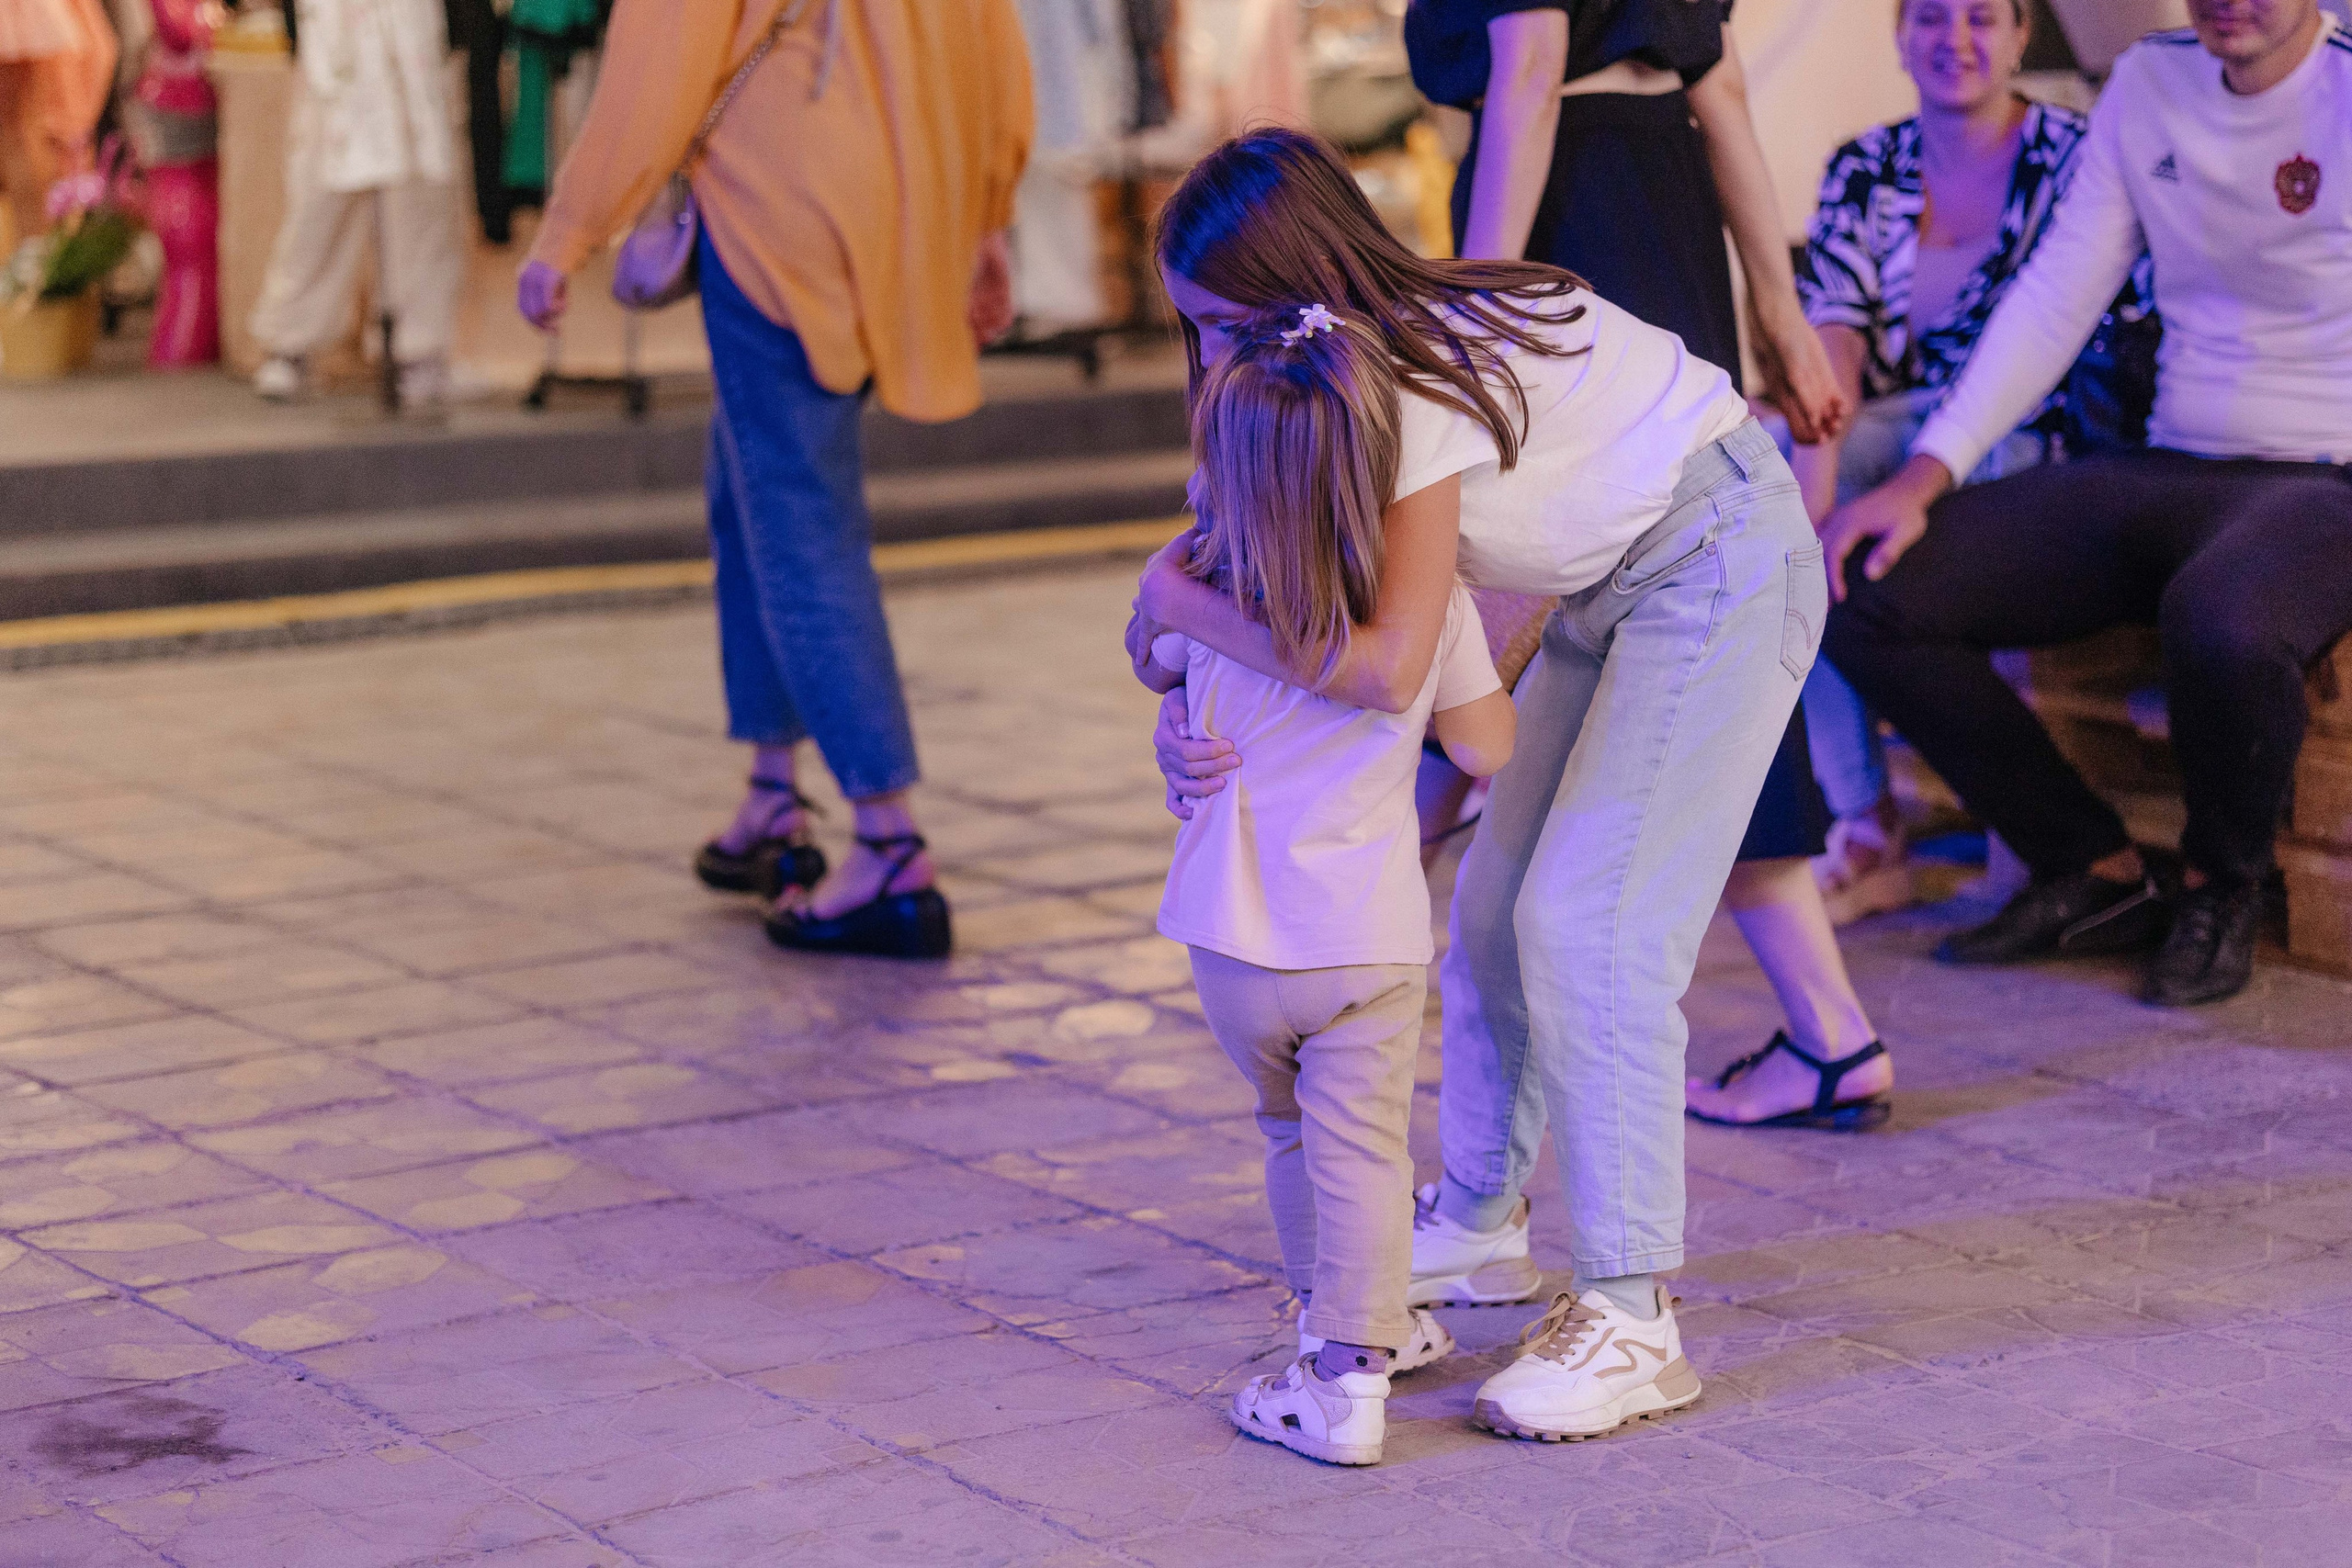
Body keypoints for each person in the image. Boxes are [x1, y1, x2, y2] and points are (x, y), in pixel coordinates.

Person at [1136, 129, 1817, 1441]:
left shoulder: (1397, 386)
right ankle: (1480, 1221)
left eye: (1221, 326)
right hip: (1602, 585)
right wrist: (1186, 707)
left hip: (1721, 557)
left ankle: (1631, 1311)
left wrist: (1174, 604)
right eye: (1194, 332)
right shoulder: (1344, 371)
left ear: (1294, 292)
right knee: (1496, 906)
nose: (1211, 363)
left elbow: (1389, 664)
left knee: (1591, 926)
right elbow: (1296, 624)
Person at [1403, 0, 1890, 1132]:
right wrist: (1779, 310)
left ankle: (1361, 900)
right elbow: (1719, 90)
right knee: (1684, 605)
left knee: (1535, 583)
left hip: (1570, 219)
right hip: (1667, 209)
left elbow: (1529, 69)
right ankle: (1829, 1029)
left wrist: (1481, 302)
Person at [1822, 0, 2352, 1008]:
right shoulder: (2150, 82)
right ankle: (2090, 867)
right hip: (2170, 457)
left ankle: (2219, 887)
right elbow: (2058, 293)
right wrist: (1924, 474)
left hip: (2326, 473)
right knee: (1865, 587)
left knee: (2222, 617)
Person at [518, 0, 1032, 959]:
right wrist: (986, 216)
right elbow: (993, 46)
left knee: (798, 517)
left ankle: (889, 844)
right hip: (896, 198)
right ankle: (770, 793)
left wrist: (568, 231)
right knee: (748, 484)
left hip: (776, 206)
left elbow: (659, 56)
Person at [1143, 302, 1517, 1466]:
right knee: (1363, 1148)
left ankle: (1350, 1327)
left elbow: (1152, 659)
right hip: (1363, 941)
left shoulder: (1209, 593)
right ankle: (1350, 1376)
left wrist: (1176, 690)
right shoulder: (1427, 611)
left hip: (1229, 946)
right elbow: (1485, 748)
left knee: (1292, 1134)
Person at [1792, 0, 2154, 928]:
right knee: (1780, 514)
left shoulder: (2075, 152)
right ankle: (1863, 820)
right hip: (1895, 418)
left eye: (1982, 18)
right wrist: (1814, 460)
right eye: (1930, 17)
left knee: (1878, 533)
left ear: (2022, 34)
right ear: (1897, 33)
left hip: (2040, 427)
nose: (1954, 39)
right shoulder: (1864, 164)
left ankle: (1994, 813)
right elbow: (1834, 326)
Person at [248, 0, 465, 405]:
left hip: (410, 43)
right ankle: (289, 345)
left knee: (419, 205)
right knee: (319, 205)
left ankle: (419, 350)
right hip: (336, 40)